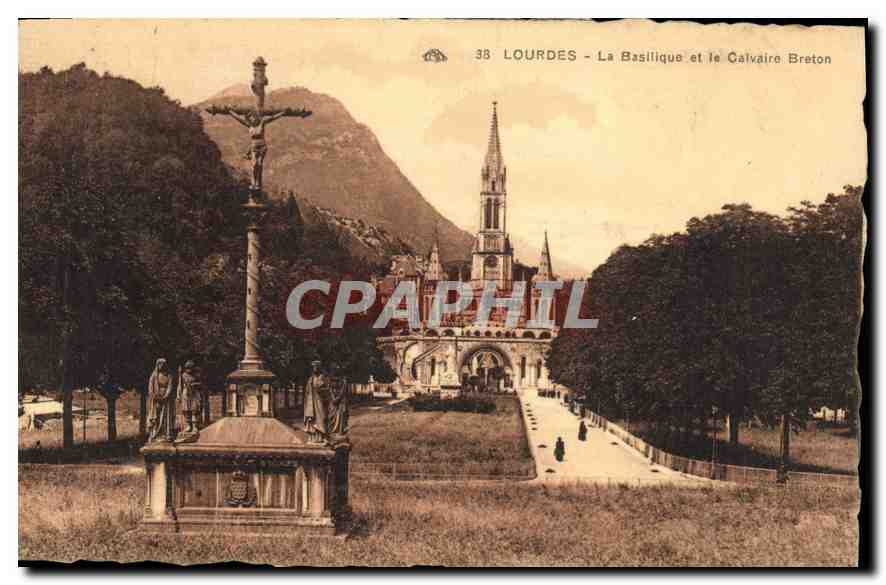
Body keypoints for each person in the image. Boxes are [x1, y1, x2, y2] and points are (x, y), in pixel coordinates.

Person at [147, 358, 174, 442]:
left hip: (166, 399)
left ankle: (166, 434)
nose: (162, 366)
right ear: (157, 365)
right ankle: (155, 434)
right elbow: (150, 388)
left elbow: (170, 386)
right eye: (160, 364)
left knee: (165, 416)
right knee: (156, 416)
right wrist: (155, 396)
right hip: (156, 399)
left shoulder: (169, 375)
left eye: (163, 364)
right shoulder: (154, 375)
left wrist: (166, 395)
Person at [303, 360, 328, 442]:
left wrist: (321, 389)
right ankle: (312, 437)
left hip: (319, 401)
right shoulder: (310, 379)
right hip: (311, 402)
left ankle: (321, 437)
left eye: (316, 367)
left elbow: (326, 390)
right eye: (313, 367)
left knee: (321, 418)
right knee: (311, 420)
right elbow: (307, 391)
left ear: (319, 368)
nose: (314, 369)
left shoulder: (323, 378)